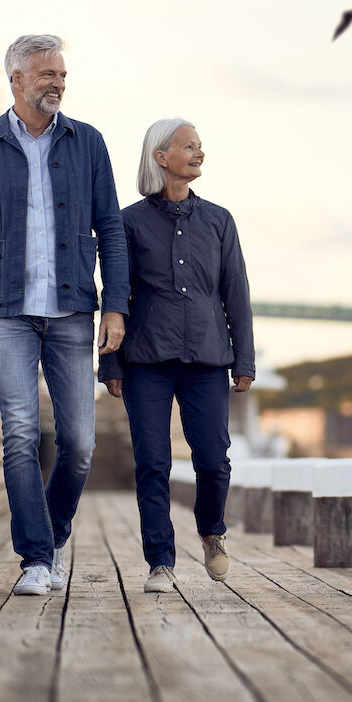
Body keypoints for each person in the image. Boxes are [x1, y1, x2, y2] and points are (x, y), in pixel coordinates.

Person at [0, 34, 129, 597]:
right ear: (16, 79)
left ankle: (51, 531)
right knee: (19, 431)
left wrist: (115, 306)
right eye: (46, 74)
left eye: (62, 75)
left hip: (72, 308)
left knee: (79, 444)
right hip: (5, 310)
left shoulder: (88, 143)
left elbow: (111, 230)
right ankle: (36, 559)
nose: (57, 84)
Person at [98, 119, 254, 593]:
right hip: (146, 360)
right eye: (189, 146)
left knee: (213, 460)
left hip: (207, 359)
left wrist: (243, 360)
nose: (199, 153)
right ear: (161, 157)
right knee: (152, 463)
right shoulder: (127, 222)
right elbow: (115, 295)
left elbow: (237, 294)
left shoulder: (219, 220)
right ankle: (160, 562)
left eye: (200, 146)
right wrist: (110, 362)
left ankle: (212, 531)